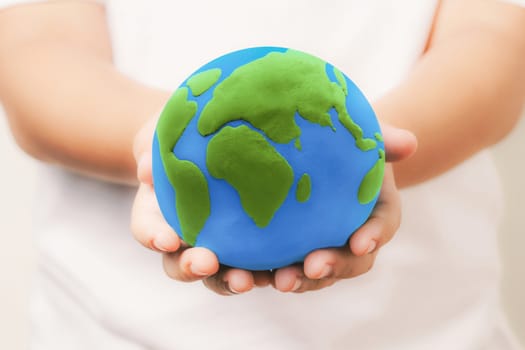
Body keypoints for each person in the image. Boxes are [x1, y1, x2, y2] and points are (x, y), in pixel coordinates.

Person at [0, 0, 524, 349]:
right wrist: (160, 142)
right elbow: (36, 56)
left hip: (427, 332)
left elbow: (496, 43)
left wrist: (369, 148)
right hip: (110, 330)